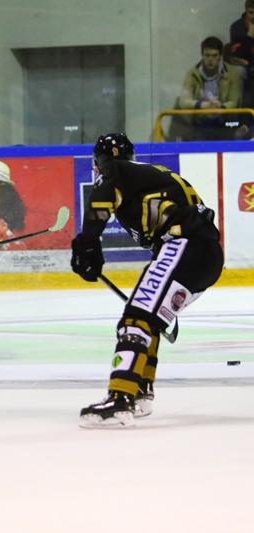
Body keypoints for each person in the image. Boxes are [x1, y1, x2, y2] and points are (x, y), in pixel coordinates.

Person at [71, 133, 223, 428]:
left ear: (98, 163)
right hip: (204, 255)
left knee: (136, 319)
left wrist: (87, 244)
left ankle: (120, 399)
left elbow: (101, 200)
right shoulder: (153, 175)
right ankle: (140, 391)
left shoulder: (117, 170)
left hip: (184, 246)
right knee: (147, 319)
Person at [173, 36, 244, 141]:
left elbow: (234, 101)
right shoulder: (192, 73)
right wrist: (202, 105)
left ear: (220, 56)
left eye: (214, 55)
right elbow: (184, 101)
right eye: (207, 55)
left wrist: (220, 107)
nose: (210, 59)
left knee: (234, 120)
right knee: (178, 108)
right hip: (200, 118)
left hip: (223, 118)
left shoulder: (232, 73)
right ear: (202, 55)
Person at [229, 0, 254, 108]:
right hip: (244, 67)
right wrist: (249, 36)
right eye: (251, 13)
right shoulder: (237, 27)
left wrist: (249, 63)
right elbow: (238, 56)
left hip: (249, 63)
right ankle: (237, 113)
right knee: (238, 71)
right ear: (246, 11)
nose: (253, 16)